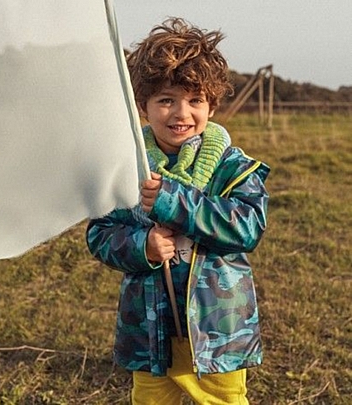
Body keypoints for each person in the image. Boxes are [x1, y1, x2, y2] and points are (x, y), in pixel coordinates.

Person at [86, 17, 269, 405]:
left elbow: (248, 227)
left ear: (212, 105)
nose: (180, 113)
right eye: (166, 99)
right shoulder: (127, 169)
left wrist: (175, 201)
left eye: (195, 100)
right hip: (152, 334)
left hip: (218, 330)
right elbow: (100, 233)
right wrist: (142, 247)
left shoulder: (234, 167)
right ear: (142, 106)